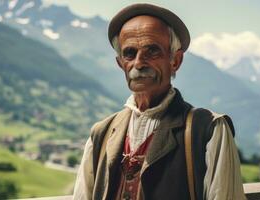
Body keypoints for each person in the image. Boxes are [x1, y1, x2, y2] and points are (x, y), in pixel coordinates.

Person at [73, 3, 246, 200]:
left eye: (152, 51)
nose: (138, 63)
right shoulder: (100, 134)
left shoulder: (209, 130)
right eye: (129, 53)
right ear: (121, 63)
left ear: (175, 61)